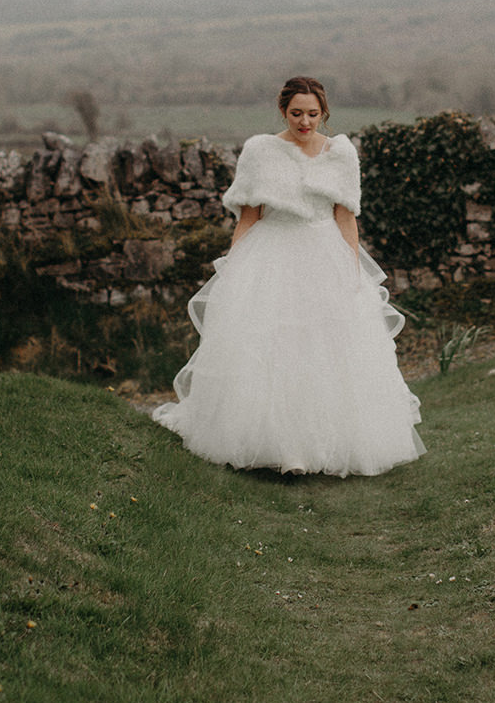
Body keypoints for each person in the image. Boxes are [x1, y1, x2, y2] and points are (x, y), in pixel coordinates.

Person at [151, 76, 426, 477]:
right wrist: (234, 267)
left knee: (325, 351)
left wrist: (352, 270)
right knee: (271, 349)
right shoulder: (260, 151)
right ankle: (282, 448)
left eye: (313, 114)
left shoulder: (341, 155)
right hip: (272, 255)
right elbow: (249, 216)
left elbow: (345, 217)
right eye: (296, 113)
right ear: (283, 111)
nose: (305, 122)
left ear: (324, 113)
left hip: (324, 255)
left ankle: (324, 445)